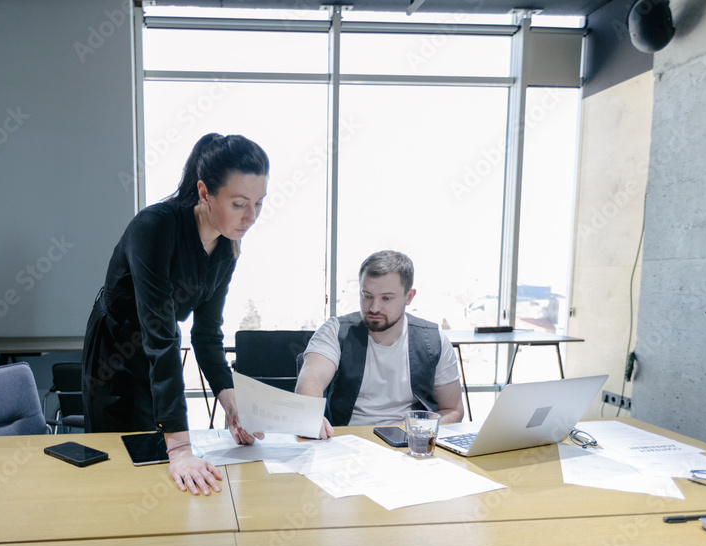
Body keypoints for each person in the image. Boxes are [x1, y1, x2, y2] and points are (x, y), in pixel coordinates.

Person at [83, 133, 269, 495]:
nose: (250, 217)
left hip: (159, 353)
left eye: (260, 204)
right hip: (116, 355)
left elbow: (206, 333)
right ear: (204, 192)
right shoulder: (154, 228)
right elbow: (161, 333)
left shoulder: (228, 245)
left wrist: (230, 401)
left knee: (165, 474)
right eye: (239, 203)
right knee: (124, 471)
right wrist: (181, 448)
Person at [296, 250, 464, 438]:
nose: (374, 308)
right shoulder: (336, 331)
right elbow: (311, 376)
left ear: (409, 297)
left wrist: (416, 432)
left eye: (386, 298)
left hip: (408, 442)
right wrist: (310, 416)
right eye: (367, 296)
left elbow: (453, 409)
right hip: (348, 442)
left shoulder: (435, 341)